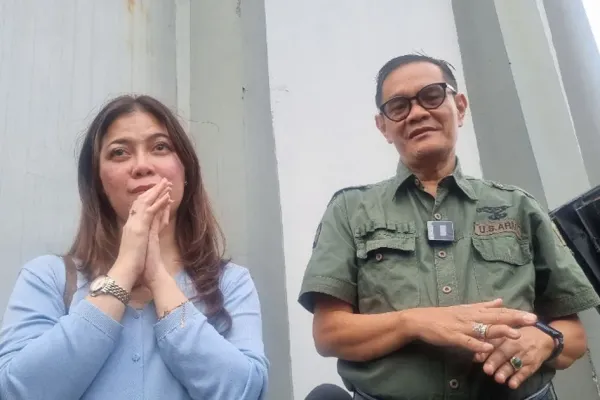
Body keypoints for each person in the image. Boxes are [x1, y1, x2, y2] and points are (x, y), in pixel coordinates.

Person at [298, 54, 600, 400]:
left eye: (432, 95)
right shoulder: (350, 210)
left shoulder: (519, 207)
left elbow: (574, 336)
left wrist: (545, 341)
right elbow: (329, 334)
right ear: (383, 126)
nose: (416, 113)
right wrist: (415, 322)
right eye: (398, 106)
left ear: (460, 106)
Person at [0, 95, 269, 399]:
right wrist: (125, 269)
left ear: (186, 172)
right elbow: (17, 391)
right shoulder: (48, 277)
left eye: (160, 147)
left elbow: (245, 391)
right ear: (99, 183)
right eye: (119, 153)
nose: (141, 166)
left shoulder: (230, 283)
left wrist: (158, 278)